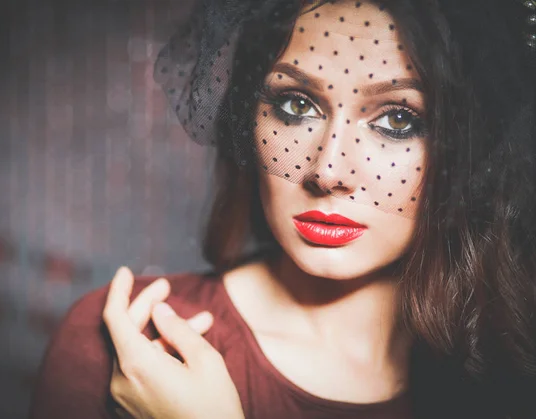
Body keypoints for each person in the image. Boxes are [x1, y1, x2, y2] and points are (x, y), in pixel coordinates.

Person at [30, 0, 536, 418]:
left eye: (398, 120)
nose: (328, 169)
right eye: (296, 105)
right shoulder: (125, 347)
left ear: (469, 152)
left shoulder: (508, 372)